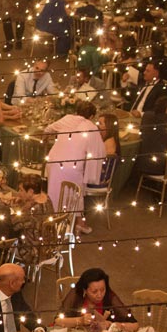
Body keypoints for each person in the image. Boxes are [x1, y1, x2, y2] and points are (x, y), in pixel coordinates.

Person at [45, 100, 105, 234]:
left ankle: (53, 223)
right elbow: (100, 151)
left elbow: (47, 129)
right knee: (76, 193)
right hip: (72, 165)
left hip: (54, 161)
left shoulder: (67, 119)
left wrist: (51, 139)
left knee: (54, 192)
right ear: (91, 116)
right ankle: (78, 223)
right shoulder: (91, 127)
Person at [55, 267, 137, 329]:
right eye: (94, 291)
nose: (99, 295)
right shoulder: (77, 294)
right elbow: (57, 321)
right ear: (85, 290)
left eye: (102, 290)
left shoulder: (109, 297)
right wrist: (81, 320)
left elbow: (135, 325)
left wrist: (112, 325)